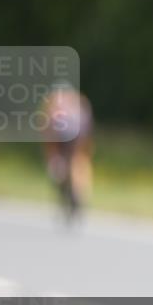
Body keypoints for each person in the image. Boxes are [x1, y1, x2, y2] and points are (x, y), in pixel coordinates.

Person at [40, 83, 94, 222]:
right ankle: (76, 195)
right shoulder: (79, 102)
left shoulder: (52, 105)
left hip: (67, 136)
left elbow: (49, 135)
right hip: (74, 136)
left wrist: (52, 157)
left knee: (64, 168)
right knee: (77, 164)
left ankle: (73, 195)